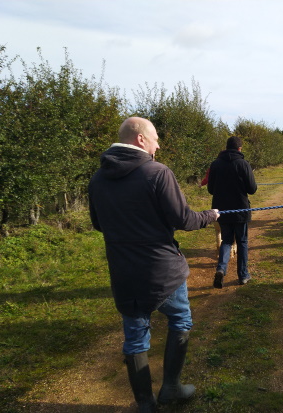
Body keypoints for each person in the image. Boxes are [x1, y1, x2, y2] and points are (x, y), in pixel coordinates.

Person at [88, 117, 219, 412]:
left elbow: (99, 224)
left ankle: (145, 404)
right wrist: (210, 215)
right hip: (162, 272)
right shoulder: (157, 172)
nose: (159, 145)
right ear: (141, 140)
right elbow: (183, 219)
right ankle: (171, 389)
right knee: (181, 320)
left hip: (123, 273)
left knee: (135, 336)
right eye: (156, 138)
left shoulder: (98, 179)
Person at [207, 136, 257, 288]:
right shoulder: (243, 164)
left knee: (226, 241)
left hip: (222, 210)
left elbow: (210, 189)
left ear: (226, 147)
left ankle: (221, 269)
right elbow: (252, 189)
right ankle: (243, 275)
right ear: (239, 149)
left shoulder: (215, 164)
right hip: (240, 209)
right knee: (242, 241)